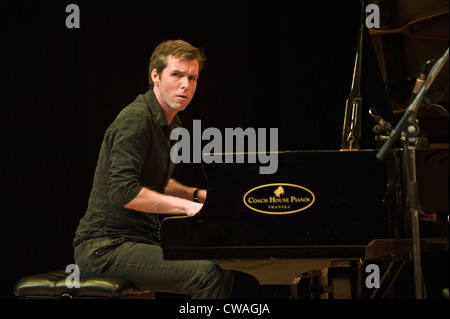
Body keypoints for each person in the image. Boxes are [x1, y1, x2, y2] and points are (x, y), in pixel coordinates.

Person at [73, 39, 234, 299]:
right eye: (177, 75)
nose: (186, 85)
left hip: (139, 241)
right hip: (104, 248)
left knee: (225, 268)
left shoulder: (173, 124)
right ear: (156, 76)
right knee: (209, 275)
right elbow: (124, 192)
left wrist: (196, 195)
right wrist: (187, 208)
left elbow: (156, 181)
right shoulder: (137, 120)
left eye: (192, 78)